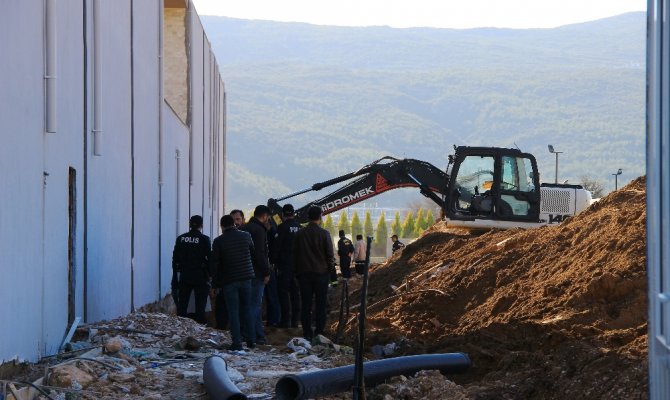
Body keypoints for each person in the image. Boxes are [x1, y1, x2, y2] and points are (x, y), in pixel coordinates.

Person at [210, 215, 256, 350]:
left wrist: (214, 284)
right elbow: (252, 253)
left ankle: (237, 343)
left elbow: (215, 264)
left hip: (229, 281)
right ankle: (251, 341)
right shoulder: (246, 236)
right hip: (247, 278)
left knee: (233, 312)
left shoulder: (218, 241)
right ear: (234, 224)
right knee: (247, 309)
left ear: (222, 226)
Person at [293, 205, 335, 341]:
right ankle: (319, 331)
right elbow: (330, 255)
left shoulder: (299, 234)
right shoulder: (324, 234)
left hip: (304, 274)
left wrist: (296, 272)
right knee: (321, 304)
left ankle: (306, 332)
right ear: (320, 217)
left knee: (306, 304)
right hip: (321, 274)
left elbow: (295, 255)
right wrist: (331, 272)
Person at [240, 205, 272, 345]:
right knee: (254, 305)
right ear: (264, 216)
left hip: (244, 272)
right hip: (256, 273)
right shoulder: (259, 230)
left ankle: (258, 335)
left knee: (251, 305)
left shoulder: (244, 228)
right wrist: (266, 272)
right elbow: (260, 254)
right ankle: (250, 335)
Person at [172, 215, 211, 324]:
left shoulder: (181, 238)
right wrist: (210, 275)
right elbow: (209, 258)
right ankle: (200, 329)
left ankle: (181, 328)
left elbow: (175, 259)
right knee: (200, 307)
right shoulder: (204, 239)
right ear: (201, 225)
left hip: (185, 275)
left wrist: (175, 277)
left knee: (182, 306)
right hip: (200, 276)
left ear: (189, 224)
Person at [272, 204, 301, 328]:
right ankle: (295, 321)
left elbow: (276, 247)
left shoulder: (282, 227)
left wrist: (273, 261)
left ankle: (285, 321)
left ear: (283, 215)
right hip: (299, 267)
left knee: (283, 294)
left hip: (285, 266)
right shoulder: (300, 228)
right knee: (296, 294)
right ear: (293, 213)